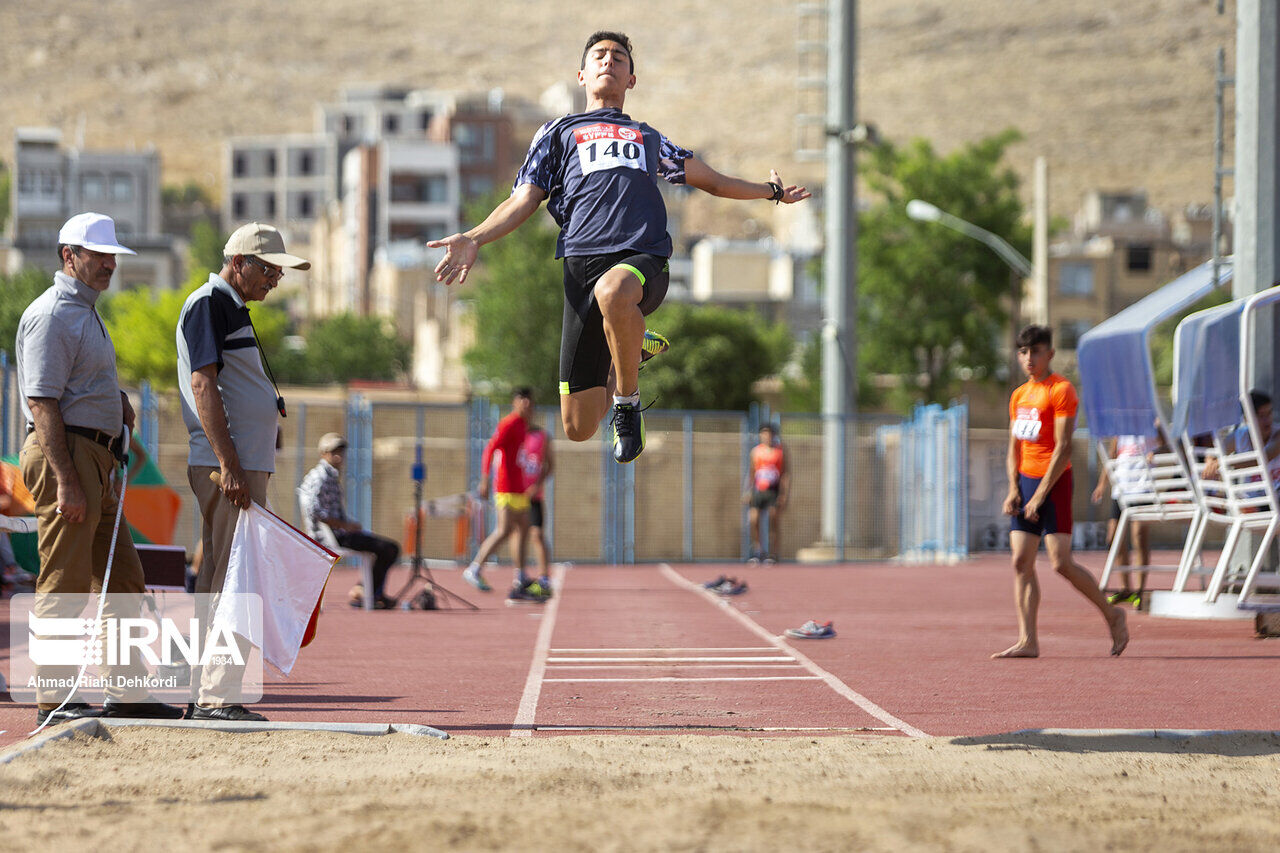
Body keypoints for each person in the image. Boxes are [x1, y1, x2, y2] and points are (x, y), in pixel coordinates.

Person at [428, 30, 810, 464]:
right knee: (577, 426)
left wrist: (771, 193)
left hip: (642, 258)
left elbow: (715, 181)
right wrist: (473, 237)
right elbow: (523, 200)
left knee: (614, 292)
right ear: (582, 74)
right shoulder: (557, 133)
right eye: (599, 56)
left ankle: (627, 405)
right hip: (580, 268)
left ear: (631, 79)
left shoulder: (649, 140)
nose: (609, 60)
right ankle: (629, 347)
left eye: (619, 58)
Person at [17, 212, 182, 724]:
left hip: (95, 456)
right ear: (69, 256)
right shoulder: (52, 315)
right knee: (63, 579)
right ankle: (53, 700)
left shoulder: (84, 312)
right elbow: (42, 402)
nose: (110, 264)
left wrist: (116, 403)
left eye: (113, 256)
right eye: (99, 255)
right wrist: (67, 479)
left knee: (124, 579)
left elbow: (73, 385)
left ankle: (126, 693)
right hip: (66, 454)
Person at [176, 221, 310, 721]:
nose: (276, 278)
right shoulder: (209, 302)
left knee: (220, 576)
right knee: (237, 579)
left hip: (236, 463)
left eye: (279, 271)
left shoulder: (227, 306)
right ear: (239, 263)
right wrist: (231, 465)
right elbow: (203, 385)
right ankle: (219, 695)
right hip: (229, 465)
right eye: (269, 269)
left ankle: (205, 691)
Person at [996, 324, 1128, 659]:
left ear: (1050, 354)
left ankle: (1112, 613)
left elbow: (1064, 447)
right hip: (1025, 483)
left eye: (1036, 351)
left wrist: (1040, 494)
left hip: (1054, 484)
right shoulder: (1019, 396)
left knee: (1060, 562)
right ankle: (1028, 640)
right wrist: (1014, 488)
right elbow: (1014, 447)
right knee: (1020, 562)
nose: (1029, 358)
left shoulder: (1061, 390)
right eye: (1023, 352)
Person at [462, 387, 548, 602]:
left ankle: (520, 577)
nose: (527, 406)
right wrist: (484, 479)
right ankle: (474, 568)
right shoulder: (508, 423)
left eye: (530, 402)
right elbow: (490, 449)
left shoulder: (523, 425)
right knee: (504, 530)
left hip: (519, 487)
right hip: (505, 486)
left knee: (524, 529)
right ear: (515, 403)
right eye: (523, 402)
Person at [299, 432, 401, 609]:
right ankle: (367, 593)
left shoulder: (330, 476)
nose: (339, 456)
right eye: (334, 452)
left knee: (385, 548)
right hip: (332, 537)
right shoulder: (320, 477)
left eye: (341, 452)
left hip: (339, 533)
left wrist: (350, 524)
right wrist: (344, 526)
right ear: (323, 453)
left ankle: (366, 591)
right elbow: (314, 511)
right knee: (389, 548)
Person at [1091, 433, 1158, 606]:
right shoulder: (1120, 428)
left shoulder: (1151, 423)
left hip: (1143, 487)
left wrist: (1157, 452)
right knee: (1113, 536)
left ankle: (1140, 591)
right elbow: (1112, 456)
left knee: (1139, 535)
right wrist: (1101, 484)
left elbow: (1168, 442)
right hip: (1122, 489)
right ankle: (1125, 588)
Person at [744, 422, 789, 563]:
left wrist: (784, 494)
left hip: (773, 490)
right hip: (759, 490)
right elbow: (752, 473)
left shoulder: (780, 451)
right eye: (763, 433)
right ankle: (759, 550)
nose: (766, 436)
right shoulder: (756, 452)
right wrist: (748, 491)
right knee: (753, 519)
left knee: (773, 520)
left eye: (769, 433)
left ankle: (773, 553)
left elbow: (785, 474)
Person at [519, 421, 555, 592]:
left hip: (534, 496)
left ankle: (544, 577)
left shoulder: (541, 436)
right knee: (516, 535)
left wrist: (536, 486)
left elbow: (550, 466)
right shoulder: (512, 434)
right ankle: (520, 575)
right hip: (515, 495)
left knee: (537, 535)